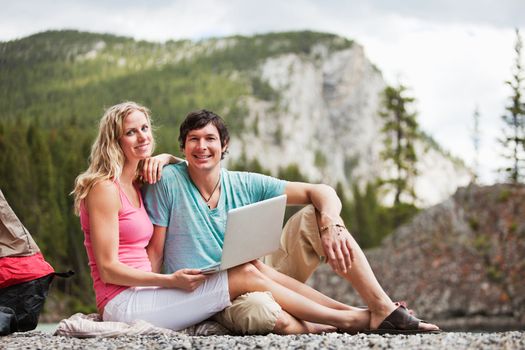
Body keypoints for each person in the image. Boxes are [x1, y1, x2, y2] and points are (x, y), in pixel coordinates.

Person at [72, 101, 385, 333]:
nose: (142, 137)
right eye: (130, 132)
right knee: (246, 277)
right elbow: (109, 270)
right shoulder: (103, 188)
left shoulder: (142, 180)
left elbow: (183, 166)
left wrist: (168, 157)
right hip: (123, 301)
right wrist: (170, 281)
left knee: (252, 268)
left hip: (150, 293)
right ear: (115, 140)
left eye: (144, 128)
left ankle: (361, 313)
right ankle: (351, 320)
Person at [142, 109, 440, 334]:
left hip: (264, 273)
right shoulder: (168, 181)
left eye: (210, 139)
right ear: (183, 147)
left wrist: (332, 222)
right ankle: (364, 319)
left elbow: (320, 191)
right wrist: (152, 302)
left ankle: (380, 306)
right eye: (193, 139)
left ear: (224, 145)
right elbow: (154, 251)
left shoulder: (245, 183)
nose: (202, 146)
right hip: (215, 295)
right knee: (264, 313)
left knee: (315, 214)